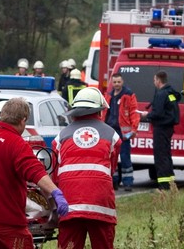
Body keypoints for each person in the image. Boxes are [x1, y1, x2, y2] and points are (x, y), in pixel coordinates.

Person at [0, 97, 68, 249]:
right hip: (6, 222)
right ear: (23, 120)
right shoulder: (17, 144)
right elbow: (36, 172)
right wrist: (56, 192)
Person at [54, 87, 121, 249]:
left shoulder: (60, 137)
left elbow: (56, 172)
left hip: (69, 203)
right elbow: (111, 169)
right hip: (100, 202)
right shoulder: (112, 135)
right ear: (99, 111)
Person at [142, 71, 181, 191]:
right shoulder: (171, 93)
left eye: (154, 80)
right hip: (168, 128)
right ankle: (170, 183)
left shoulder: (161, 94)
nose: (154, 82)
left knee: (160, 156)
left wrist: (147, 115)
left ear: (158, 81)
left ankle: (163, 186)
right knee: (166, 155)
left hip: (161, 128)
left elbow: (158, 112)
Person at [104, 73, 140, 191]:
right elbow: (104, 113)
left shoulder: (128, 95)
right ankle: (113, 182)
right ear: (111, 82)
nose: (116, 84)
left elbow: (133, 113)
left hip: (123, 133)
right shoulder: (108, 95)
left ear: (122, 82)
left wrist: (134, 129)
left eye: (118, 82)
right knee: (111, 157)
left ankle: (128, 182)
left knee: (125, 157)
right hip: (110, 131)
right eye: (114, 82)